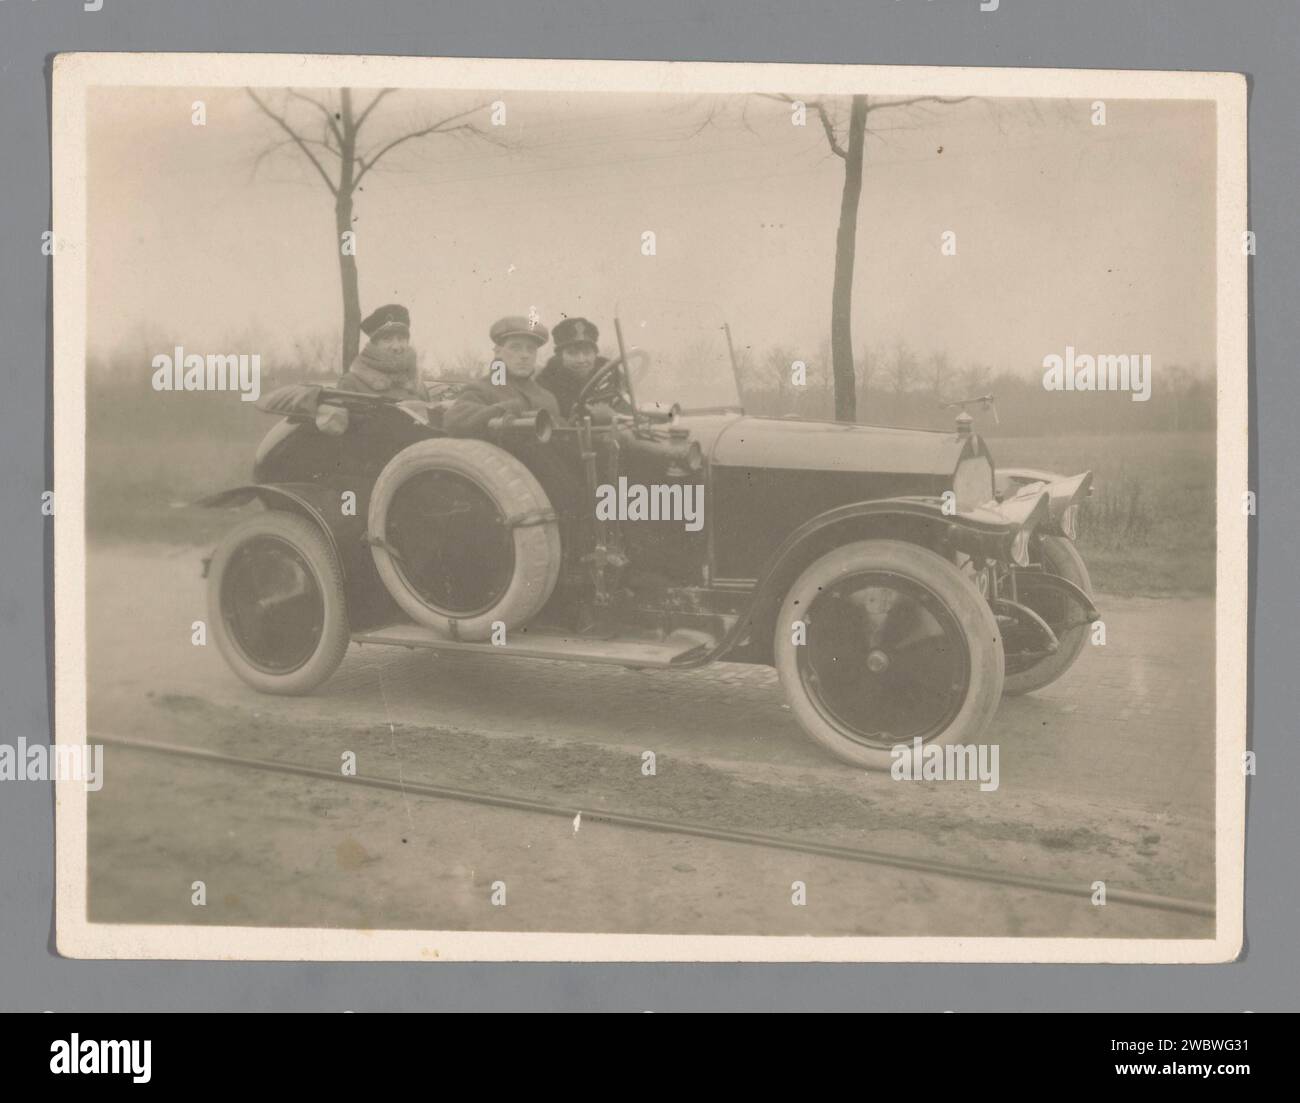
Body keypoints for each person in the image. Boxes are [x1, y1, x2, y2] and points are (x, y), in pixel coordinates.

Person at [443, 315, 561, 437]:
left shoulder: (547, 398)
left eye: (530, 349)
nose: (525, 355)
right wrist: (506, 409)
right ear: (498, 352)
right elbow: (454, 421)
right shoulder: (482, 388)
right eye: (516, 348)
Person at [337, 304, 429, 401]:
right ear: (374, 344)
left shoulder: (418, 386)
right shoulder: (351, 383)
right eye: (387, 339)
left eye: (401, 339)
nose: (396, 346)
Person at [536, 317, 611, 420]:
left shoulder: (610, 373)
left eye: (587, 352)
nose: (581, 359)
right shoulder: (546, 382)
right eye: (572, 353)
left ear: (595, 354)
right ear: (561, 356)